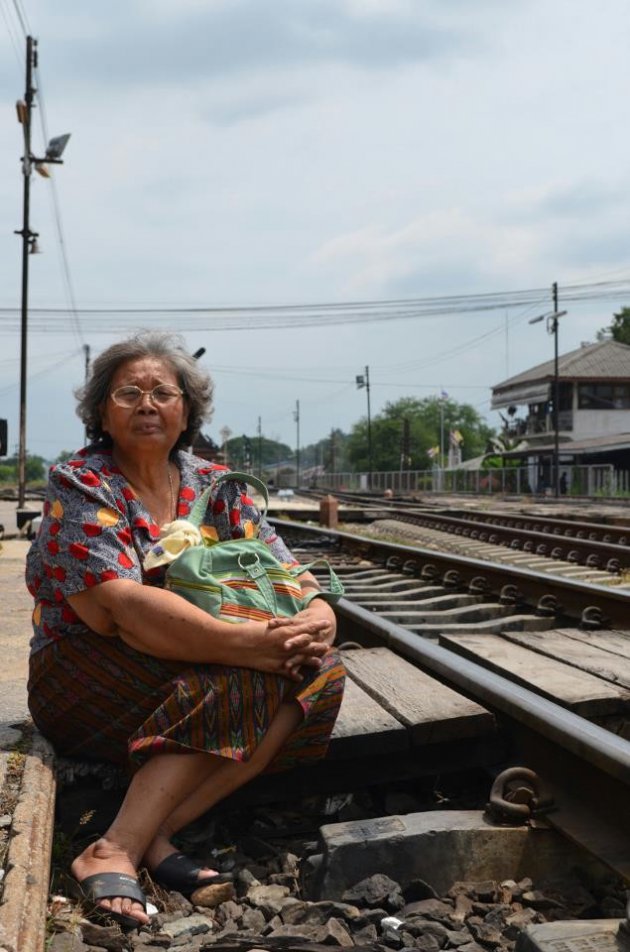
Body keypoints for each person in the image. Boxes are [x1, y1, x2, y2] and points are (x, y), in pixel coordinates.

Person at [26, 331, 345, 930]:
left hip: (184, 667)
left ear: (186, 411)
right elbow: (119, 610)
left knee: (319, 671)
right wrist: (250, 643)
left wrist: (319, 616)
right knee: (246, 672)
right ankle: (111, 848)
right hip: (83, 672)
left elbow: (287, 569)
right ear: (101, 412)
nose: (146, 404)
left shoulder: (217, 486)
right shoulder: (82, 483)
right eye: (127, 393)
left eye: (161, 393)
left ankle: (154, 832)